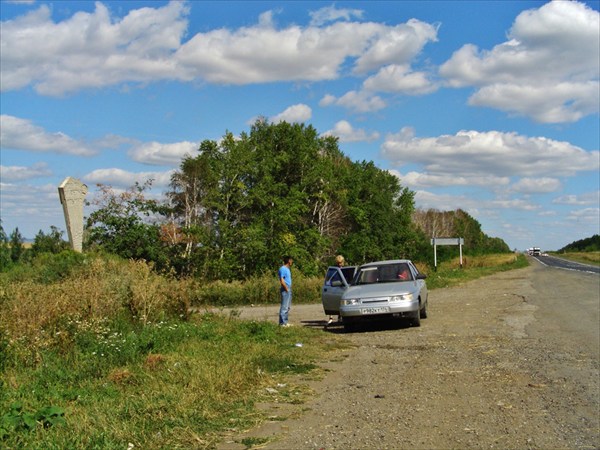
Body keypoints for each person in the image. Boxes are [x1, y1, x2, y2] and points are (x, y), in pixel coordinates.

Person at [327, 255, 345, 325]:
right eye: (338, 262)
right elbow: (329, 279)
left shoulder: (344, 269)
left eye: (340, 262)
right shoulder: (333, 270)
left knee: (341, 302)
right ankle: (330, 318)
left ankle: (340, 317)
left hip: (341, 287)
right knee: (331, 302)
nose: (339, 264)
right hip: (333, 287)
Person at [278, 256, 293, 327]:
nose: (292, 262)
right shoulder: (283, 269)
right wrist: (286, 288)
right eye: (291, 260)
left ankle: (285, 322)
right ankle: (282, 323)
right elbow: (282, 279)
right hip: (285, 288)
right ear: (289, 261)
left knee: (287, 306)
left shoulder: (288, 269)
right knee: (284, 306)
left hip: (289, 288)